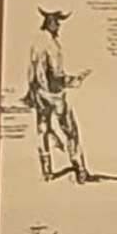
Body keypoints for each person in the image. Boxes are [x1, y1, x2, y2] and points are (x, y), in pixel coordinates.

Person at [22, 10, 93, 184]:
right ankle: (80, 170)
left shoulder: (36, 42)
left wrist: (32, 93)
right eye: (57, 22)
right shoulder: (52, 45)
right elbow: (56, 75)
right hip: (54, 94)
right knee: (71, 131)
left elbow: (31, 72)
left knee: (43, 130)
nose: (59, 26)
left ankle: (47, 172)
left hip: (39, 94)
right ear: (50, 23)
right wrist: (74, 80)